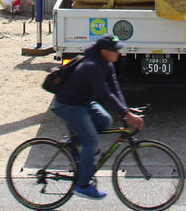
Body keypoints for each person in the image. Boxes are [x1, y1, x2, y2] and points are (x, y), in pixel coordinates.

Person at [51, 35, 144, 200]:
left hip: (84, 102)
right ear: (104, 51)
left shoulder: (107, 64)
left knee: (105, 120)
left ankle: (74, 145)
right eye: (115, 50)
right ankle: (83, 185)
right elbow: (105, 94)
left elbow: (116, 90)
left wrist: (125, 112)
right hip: (68, 105)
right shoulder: (91, 66)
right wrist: (126, 114)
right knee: (91, 141)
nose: (118, 53)